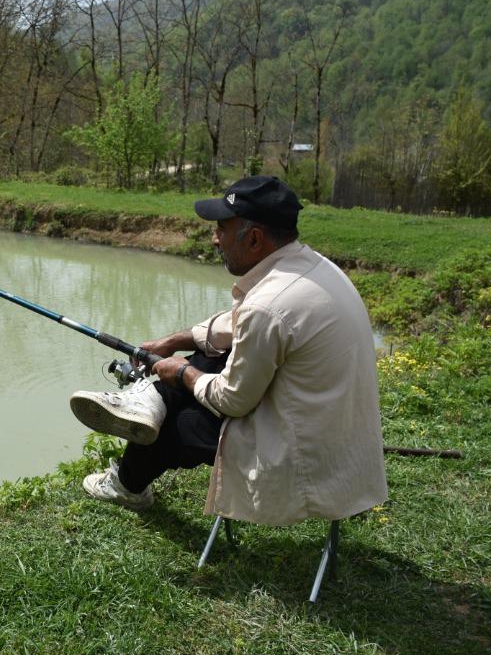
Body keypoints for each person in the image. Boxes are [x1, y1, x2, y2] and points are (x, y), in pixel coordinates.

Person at [70, 175, 388, 525]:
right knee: (210, 357)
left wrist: (181, 372)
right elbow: (241, 326)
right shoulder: (312, 268)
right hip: (342, 439)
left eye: (221, 227)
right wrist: (177, 341)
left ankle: (127, 484)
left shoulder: (269, 304)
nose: (214, 238)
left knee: (178, 425)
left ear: (254, 238)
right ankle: (149, 400)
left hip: (308, 459)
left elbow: (234, 400)